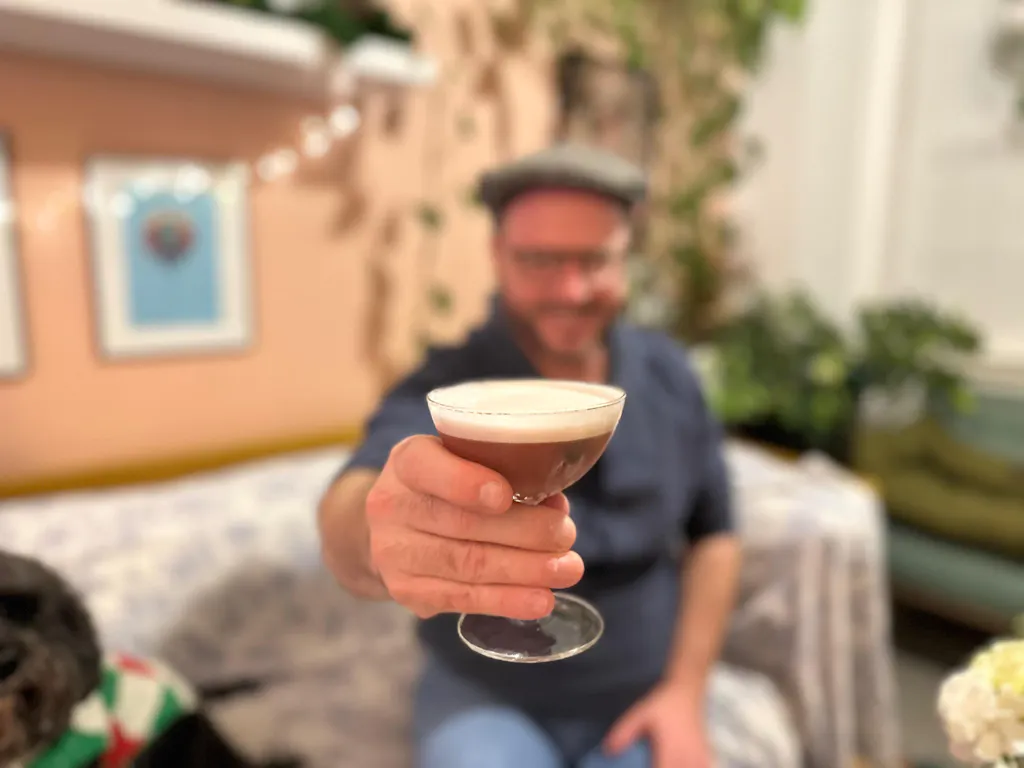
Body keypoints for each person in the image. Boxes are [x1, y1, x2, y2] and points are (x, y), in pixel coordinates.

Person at [318, 143, 742, 768]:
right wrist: (373, 536)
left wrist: (686, 691)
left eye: (594, 260)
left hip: (643, 696)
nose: (570, 290)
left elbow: (716, 535)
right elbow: (355, 507)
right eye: (538, 260)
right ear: (498, 256)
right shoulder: (452, 388)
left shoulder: (670, 376)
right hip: (485, 694)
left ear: (625, 258)